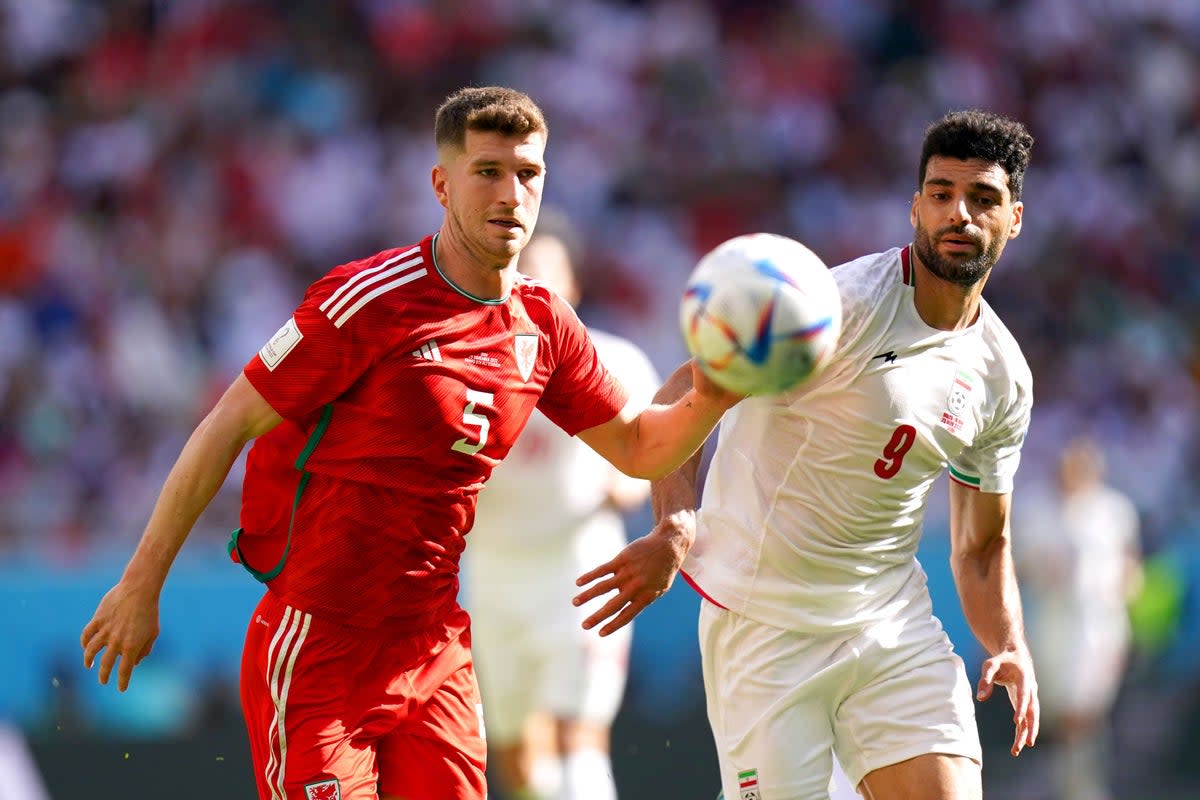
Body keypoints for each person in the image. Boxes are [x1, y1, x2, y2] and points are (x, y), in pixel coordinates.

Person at [79, 86, 740, 800]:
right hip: (320, 649)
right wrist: (141, 584)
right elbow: (226, 426)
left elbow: (641, 447)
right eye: (487, 171)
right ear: (441, 183)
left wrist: (716, 394)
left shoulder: (545, 325)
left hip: (435, 648)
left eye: (528, 174)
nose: (511, 194)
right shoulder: (369, 300)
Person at [576, 109, 1041, 800]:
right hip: (764, 626)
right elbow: (688, 385)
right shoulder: (835, 307)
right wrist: (675, 525)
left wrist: (1008, 641)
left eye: (982, 198)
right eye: (941, 193)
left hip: (888, 622)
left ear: (1015, 218)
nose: (959, 213)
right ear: (915, 205)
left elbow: (980, 547)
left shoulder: (1003, 376)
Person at [463, 210, 660, 800]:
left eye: (548, 274)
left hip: (580, 570)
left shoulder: (615, 362)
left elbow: (655, 461)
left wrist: (624, 486)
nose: (536, 288)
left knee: (580, 730)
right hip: (493, 577)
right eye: (525, 274)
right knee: (516, 750)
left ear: (573, 286)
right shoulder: (470, 364)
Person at [1013, 436, 1142, 800]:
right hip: (1055, 622)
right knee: (1061, 712)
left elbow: (1130, 564)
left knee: (1087, 711)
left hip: (1101, 624)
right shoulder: (1036, 508)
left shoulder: (1115, 511)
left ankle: (1083, 787)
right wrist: (1043, 570)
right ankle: (1070, 783)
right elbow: (1020, 565)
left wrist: (1126, 591)